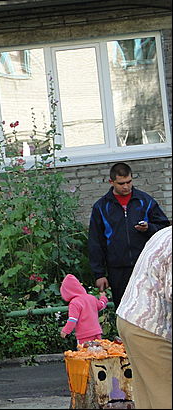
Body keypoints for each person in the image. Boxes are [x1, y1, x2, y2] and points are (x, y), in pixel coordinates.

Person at [87, 162, 170, 306]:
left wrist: (149, 228)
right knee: (123, 308)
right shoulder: (101, 207)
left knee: (149, 307)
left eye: (129, 182)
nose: (126, 186)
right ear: (111, 182)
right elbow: (95, 242)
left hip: (145, 266)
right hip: (117, 269)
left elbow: (164, 228)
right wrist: (99, 274)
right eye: (121, 183)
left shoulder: (145, 201)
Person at [116, 226, 171, 409]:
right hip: (151, 327)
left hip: (130, 318)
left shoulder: (165, 233)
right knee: (165, 393)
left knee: (147, 395)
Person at [59, 273, 108, 344]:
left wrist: (65, 331)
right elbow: (101, 305)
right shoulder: (91, 298)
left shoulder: (74, 303)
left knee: (84, 351)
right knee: (99, 350)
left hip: (84, 335)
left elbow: (73, 319)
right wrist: (103, 297)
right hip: (97, 332)